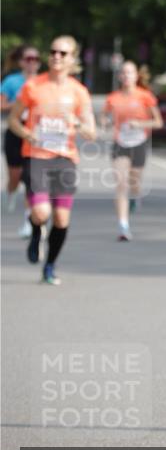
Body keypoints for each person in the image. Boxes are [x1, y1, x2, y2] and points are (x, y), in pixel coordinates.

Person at [8, 35, 96, 286]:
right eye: (53, 51)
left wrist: (76, 121)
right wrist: (28, 134)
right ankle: (36, 231)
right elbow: (14, 120)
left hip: (65, 159)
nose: (56, 56)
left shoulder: (79, 92)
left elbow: (91, 133)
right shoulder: (34, 86)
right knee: (40, 211)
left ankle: (50, 265)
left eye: (63, 53)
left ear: (73, 59)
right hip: (36, 157)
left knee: (61, 219)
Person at [100, 61, 163, 240]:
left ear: (136, 76)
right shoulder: (113, 98)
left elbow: (158, 122)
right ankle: (123, 226)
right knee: (121, 184)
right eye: (124, 73)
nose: (127, 76)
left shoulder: (145, 97)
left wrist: (140, 124)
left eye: (130, 73)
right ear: (119, 77)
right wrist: (104, 121)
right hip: (120, 143)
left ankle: (135, 197)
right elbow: (104, 116)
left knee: (134, 181)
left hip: (139, 142)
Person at [1, 44, 41, 235]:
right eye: (28, 59)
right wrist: (17, 105)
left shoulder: (43, 82)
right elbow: (1, 105)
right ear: (21, 62)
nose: (32, 63)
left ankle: (28, 220)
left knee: (30, 178)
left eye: (36, 59)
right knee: (15, 177)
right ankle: (10, 191)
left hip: (34, 135)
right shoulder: (11, 81)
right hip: (15, 132)